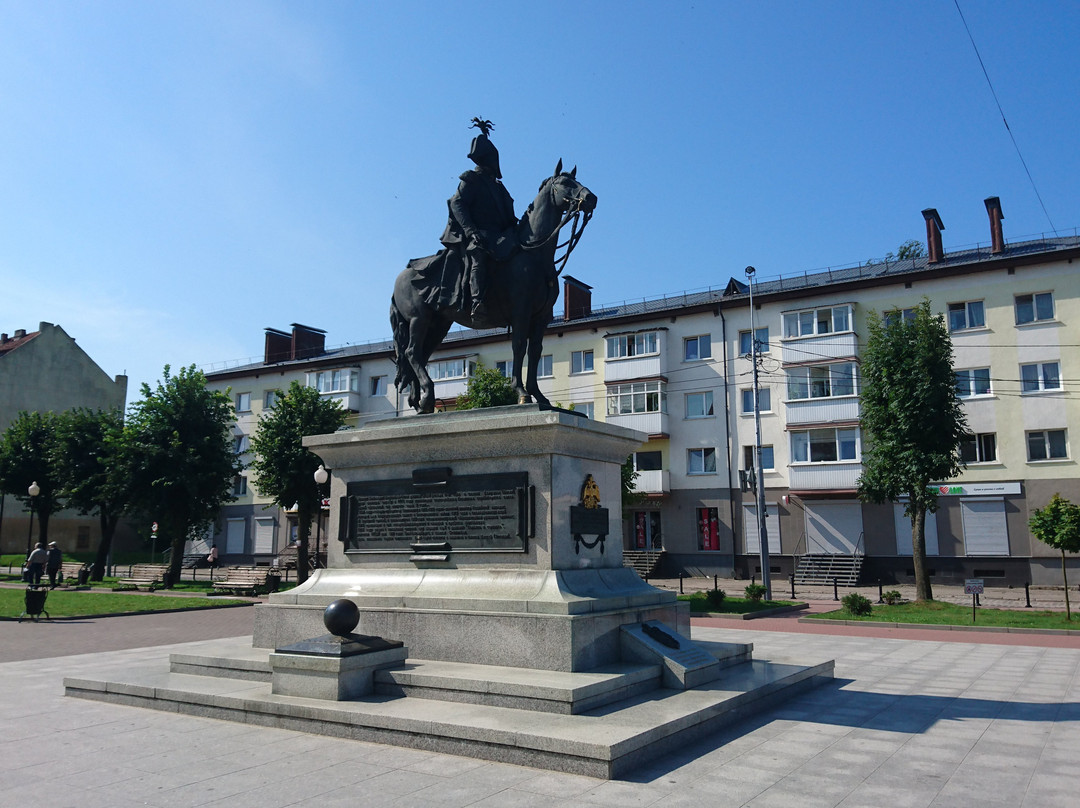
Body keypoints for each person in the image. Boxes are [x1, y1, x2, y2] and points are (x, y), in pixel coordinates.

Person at [439, 118, 517, 321]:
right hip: (477, 233)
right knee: (479, 255)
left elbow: (508, 217)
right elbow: (457, 204)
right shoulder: (471, 179)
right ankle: (477, 301)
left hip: (499, 236)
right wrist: (471, 231)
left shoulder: (499, 188)